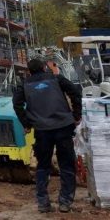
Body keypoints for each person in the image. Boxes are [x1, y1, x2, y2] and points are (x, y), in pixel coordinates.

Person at [13, 57, 83, 213]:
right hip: (64, 126)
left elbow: (16, 104)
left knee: (43, 166)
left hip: (42, 130)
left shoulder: (24, 85)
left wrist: (27, 123)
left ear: (29, 72)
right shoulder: (57, 79)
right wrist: (76, 114)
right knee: (66, 165)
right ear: (45, 68)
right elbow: (76, 92)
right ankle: (65, 202)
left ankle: (43, 203)